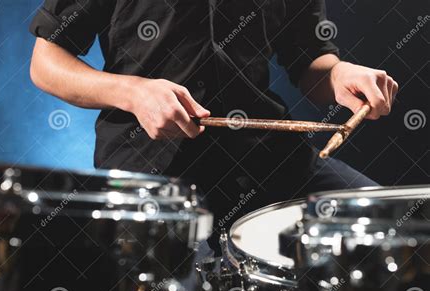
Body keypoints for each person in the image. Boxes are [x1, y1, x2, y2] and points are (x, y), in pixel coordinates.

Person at [29, 0, 398, 252]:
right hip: (151, 171)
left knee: (393, 236)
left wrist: (341, 73)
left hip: (268, 159)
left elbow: (309, 60)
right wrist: (133, 92)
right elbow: (45, 62)